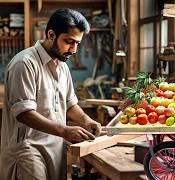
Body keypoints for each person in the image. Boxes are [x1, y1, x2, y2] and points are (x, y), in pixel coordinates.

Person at [0, 9, 104, 180]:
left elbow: (70, 104)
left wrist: (87, 120)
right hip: (28, 150)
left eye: (77, 43)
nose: (74, 49)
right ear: (50, 34)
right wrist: (64, 130)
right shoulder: (25, 63)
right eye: (69, 41)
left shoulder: (62, 66)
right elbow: (24, 114)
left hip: (55, 148)